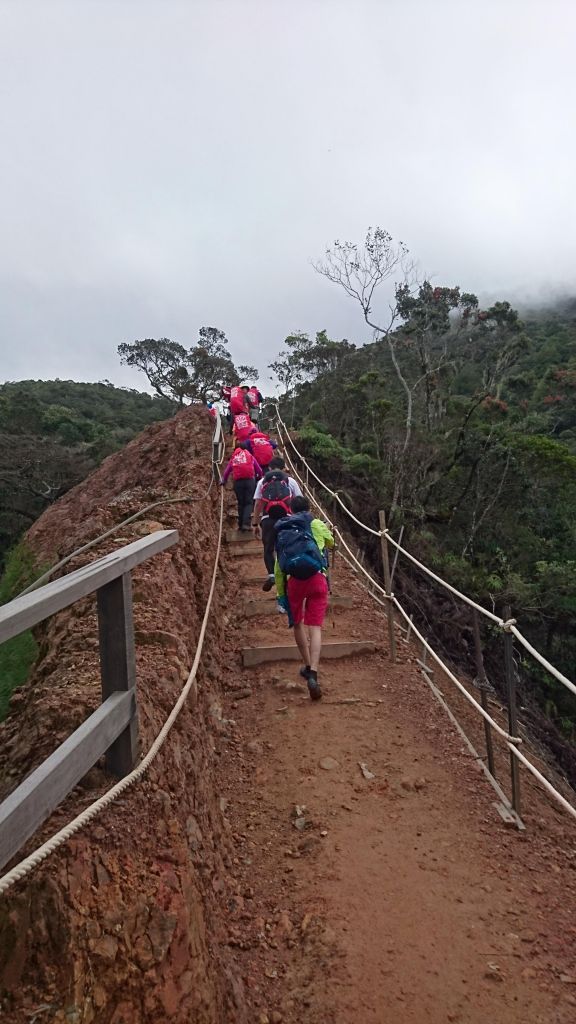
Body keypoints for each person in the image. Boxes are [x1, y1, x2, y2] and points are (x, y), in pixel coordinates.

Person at [274, 496, 334, 701]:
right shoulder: (315, 523)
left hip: (294, 581)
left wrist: (280, 595)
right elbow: (332, 543)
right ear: (309, 509)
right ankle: (314, 673)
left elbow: (278, 565)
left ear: (290, 510)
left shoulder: (283, 529)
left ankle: (307, 665)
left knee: (298, 624)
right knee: (315, 627)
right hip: (317, 578)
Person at [252, 456, 302, 590]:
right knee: (284, 549)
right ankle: (285, 578)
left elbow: (258, 504)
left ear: (269, 468)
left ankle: (272, 574)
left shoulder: (262, 481)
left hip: (268, 520)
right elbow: (299, 501)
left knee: (268, 549)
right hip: (286, 519)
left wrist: (255, 524)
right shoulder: (290, 480)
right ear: (284, 467)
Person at [221, 446, 263, 531]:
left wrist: (223, 481)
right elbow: (259, 470)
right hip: (250, 481)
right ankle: (246, 524)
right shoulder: (249, 455)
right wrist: (259, 477)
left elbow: (227, 471)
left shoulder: (234, 457)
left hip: (238, 482)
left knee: (241, 503)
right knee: (248, 502)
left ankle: (240, 525)